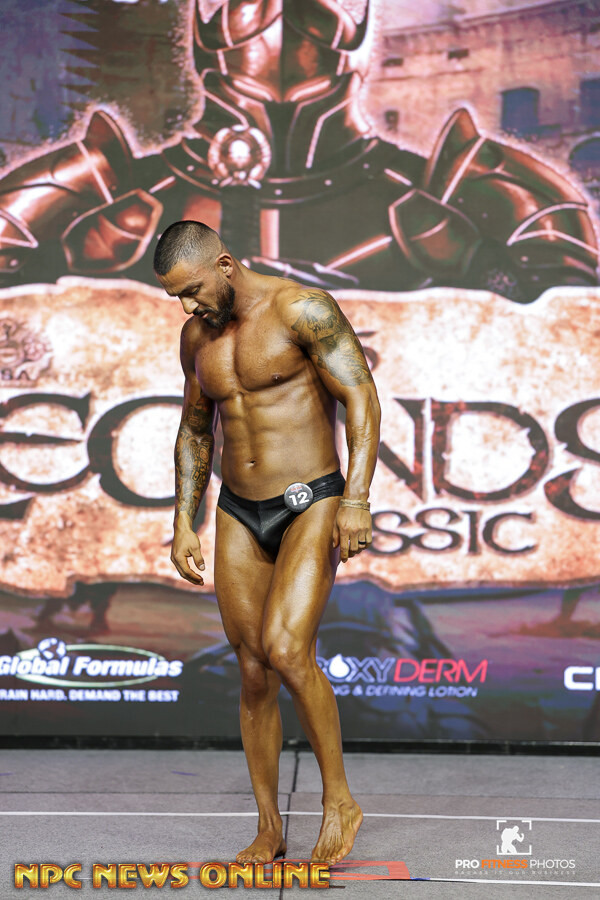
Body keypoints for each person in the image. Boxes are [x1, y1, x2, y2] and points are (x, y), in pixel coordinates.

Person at [153, 219, 381, 866]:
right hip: (238, 507)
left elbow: (361, 397)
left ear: (224, 265)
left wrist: (356, 499)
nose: (188, 306)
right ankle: (268, 827)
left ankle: (339, 801)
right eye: (176, 296)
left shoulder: (301, 309)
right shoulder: (197, 337)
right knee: (252, 668)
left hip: (312, 498)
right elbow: (195, 430)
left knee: (286, 647)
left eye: (192, 289)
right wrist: (183, 520)